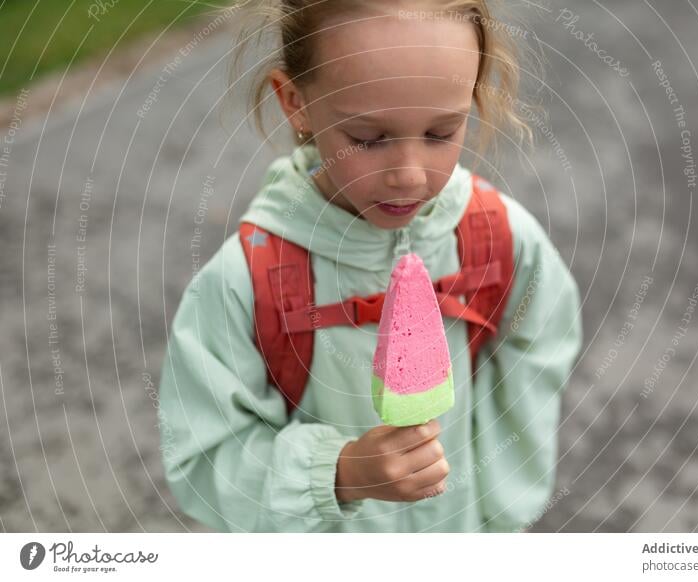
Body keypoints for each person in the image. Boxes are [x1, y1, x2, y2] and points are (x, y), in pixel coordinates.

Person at [158, 0, 583, 533]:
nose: (409, 176)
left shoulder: (497, 237)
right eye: (368, 138)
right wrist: (338, 475)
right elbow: (202, 460)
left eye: (441, 132)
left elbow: (538, 363)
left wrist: (494, 510)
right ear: (296, 103)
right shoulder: (244, 281)